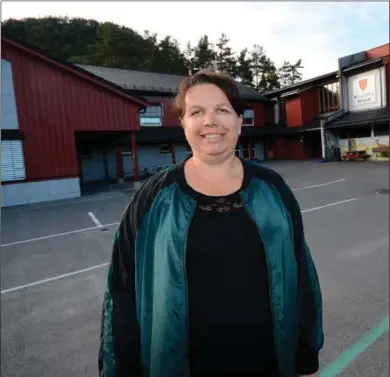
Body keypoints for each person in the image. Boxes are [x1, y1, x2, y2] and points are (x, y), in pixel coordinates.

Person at [98, 69, 324, 377]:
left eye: (222, 110)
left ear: (239, 121)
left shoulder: (273, 189)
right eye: (197, 112)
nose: (210, 121)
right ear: (183, 123)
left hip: (269, 363)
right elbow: (121, 295)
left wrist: (306, 357)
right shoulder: (153, 199)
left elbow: (301, 273)